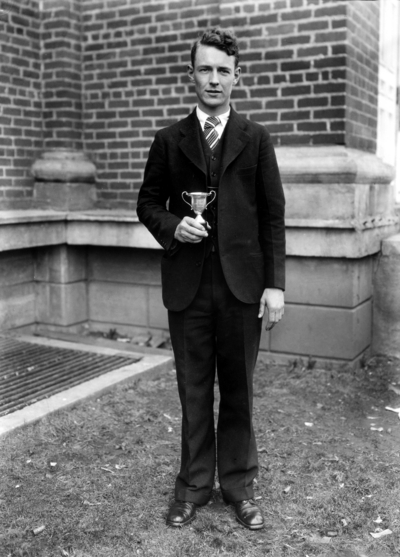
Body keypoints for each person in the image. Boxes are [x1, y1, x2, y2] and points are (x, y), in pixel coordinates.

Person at [136, 28, 285, 530]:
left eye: (224, 70)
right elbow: (147, 203)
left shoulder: (256, 138)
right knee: (193, 389)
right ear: (191, 74)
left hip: (244, 287)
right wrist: (174, 225)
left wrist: (276, 284)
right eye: (205, 69)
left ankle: (238, 486)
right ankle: (194, 487)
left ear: (237, 76)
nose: (214, 79)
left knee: (239, 389)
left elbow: (272, 217)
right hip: (189, 286)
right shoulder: (169, 141)